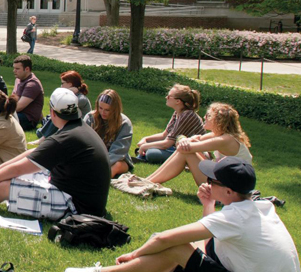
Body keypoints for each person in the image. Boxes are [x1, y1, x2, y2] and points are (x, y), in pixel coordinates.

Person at [67, 157, 301, 272]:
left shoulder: (235, 218)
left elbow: (163, 238)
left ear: (228, 191)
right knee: (191, 248)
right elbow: (209, 241)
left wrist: (133, 253)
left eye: (212, 180)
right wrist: (208, 203)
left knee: (178, 248)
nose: (206, 182)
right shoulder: (260, 208)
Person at [0, 88, 110, 220]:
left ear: (52, 112)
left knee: (6, 186)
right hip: (76, 195)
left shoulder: (66, 138)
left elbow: (18, 168)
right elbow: (32, 153)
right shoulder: (77, 128)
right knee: (10, 176)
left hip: (75, 207)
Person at [147, 103, 252, 187]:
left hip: (231, 188)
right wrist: (184, 139)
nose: (204, 117)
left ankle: (148, 181)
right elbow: (192, 139)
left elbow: (185, 147)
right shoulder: (219, 134)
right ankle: (148, 180)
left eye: (208, 116)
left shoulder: (225, 139)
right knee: (185, 150)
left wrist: (184, 141)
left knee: (185, 152)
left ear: (218, 121)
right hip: (227, 181)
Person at [134, 84, 204, 164]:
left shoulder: (187, 115)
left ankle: (141, 157)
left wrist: (144, 146)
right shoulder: (177, 113)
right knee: (149, 146)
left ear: (178, 101)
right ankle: (141, 157)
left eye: (169, 96)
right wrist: (146, 139)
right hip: (177, 147)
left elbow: (167, 144)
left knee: (151, 153)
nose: (166, 98)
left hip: (193, 153)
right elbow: (164, 135)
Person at [31, 70, 93, 145]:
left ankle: (43, 138)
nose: (61, 86)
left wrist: (67, 91)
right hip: (70, 123)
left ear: (70, 84)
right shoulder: (74, 96)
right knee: (50, 117)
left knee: (58, 115)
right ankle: (43, 133)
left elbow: (60, 106)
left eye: (62, 83)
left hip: (77, 126)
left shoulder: (81, 99)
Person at [83, 89, 134, 178]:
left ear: (115, 110)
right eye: (100, 108)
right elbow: (82, 140)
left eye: (107, 110)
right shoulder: (90, 118)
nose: (102, 112)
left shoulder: (124, 123)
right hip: (92, 156)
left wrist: (99, 164)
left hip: (115, 159)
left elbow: (118, 151)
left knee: (117, 165)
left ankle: (103, 179)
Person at [11, 55, 44, 131]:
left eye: (17, 69)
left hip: (27, 119)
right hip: (18, 114)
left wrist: (2, 112)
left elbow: (19, 107)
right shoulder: (18, 80)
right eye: (14, 68)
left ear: (27, 69)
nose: (14, 71)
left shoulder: (32, 84)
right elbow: (13, 99)